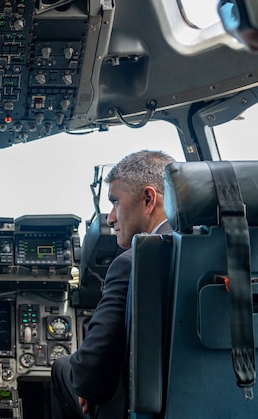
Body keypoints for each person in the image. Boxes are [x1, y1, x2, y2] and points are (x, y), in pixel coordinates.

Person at [50, 150, 175, 419]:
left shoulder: (133, 263)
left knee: (64, 369)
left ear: (148, 199)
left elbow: (88, 373)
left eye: (115, 202)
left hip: (143, 409)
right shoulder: (227, 256)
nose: (110, 218)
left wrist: (86, 383)